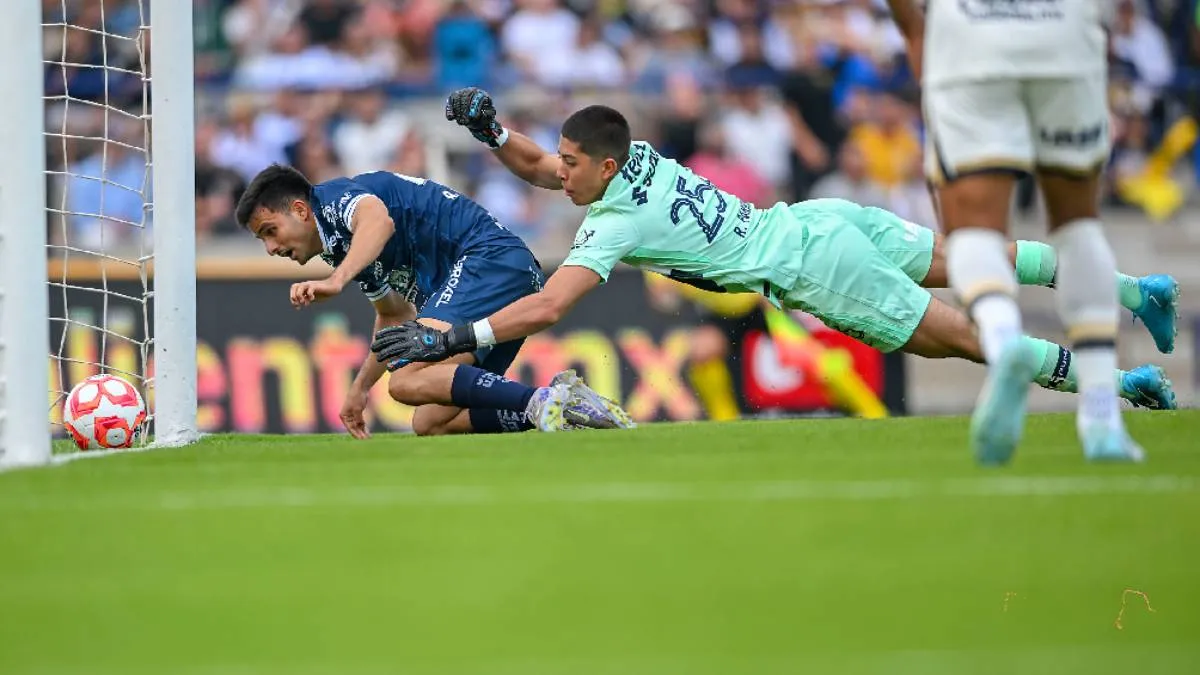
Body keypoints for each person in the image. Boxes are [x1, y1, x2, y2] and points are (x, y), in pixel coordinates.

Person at [368, 91, 1177, 451]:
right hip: (816, 217)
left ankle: (1123, 383)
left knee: (962, 337)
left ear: (605, 165)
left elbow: (547, 306)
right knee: (974, 257)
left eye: (572, 162)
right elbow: (544, 166)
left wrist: (455, 334)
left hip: (810, 261)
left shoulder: (614, 221)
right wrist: (494, 133)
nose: (560, 173)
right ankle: (1138, 292)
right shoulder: (632, 161)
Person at [885, 1, 1165, 463]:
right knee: (1078, 226)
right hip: (1062, 25)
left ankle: (1003, 338)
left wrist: (919, 38)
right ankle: (1102, 419)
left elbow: (909, 15)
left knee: (972, 233)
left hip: (969, 29)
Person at [234, 163, 634, 438]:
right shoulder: (342, 249)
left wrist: (336, 281)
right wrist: (360, 389)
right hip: (502, 275)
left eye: (270, 231)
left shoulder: (335, 200)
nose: (271, 248)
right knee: (431, 421)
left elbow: (378, 220)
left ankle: (545, 401)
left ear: (300, 210)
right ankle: (570, 412)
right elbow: (394, 316)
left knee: (405, 381)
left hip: (486, 262)